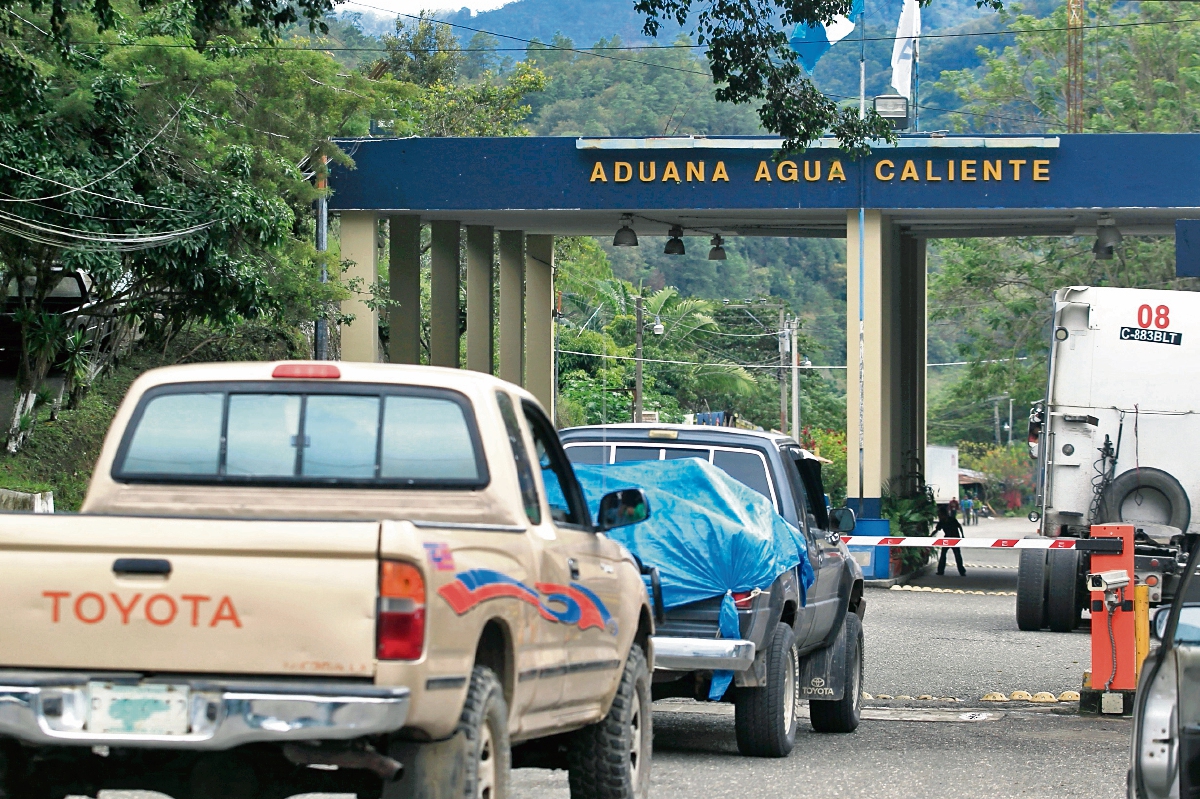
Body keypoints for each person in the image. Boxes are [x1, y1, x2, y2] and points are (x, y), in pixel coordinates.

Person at [935, 504, 966, 576]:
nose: (939, 516)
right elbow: (936, 530)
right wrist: (930, 536)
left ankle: (962, 571)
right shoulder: (941, 522)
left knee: (957, 555)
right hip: (947, 538)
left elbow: (959, 526)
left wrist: (962, 535)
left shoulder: (952, 519)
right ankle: (940, 571)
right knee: (943, 555)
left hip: (955, 538)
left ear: (943, 514)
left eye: (939, 515)